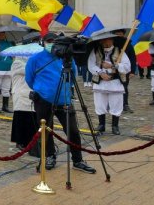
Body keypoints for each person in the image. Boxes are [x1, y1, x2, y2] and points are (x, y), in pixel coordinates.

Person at [25, 44, 97, 173]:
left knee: (73, 130)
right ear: (44, 42)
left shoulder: (65, 58)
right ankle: (49, 155)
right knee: (46, 130)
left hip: (64, 99)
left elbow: (72, 75)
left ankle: (77, 159)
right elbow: (29, 79)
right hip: (43, 100)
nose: (52, 44)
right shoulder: (35, 58)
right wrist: (43, 90)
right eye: (49, 41)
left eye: (54, 41)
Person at [88, 38, 131, 135]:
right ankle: (101, 125)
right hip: (100, 82)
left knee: (116, 104)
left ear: (111, 40)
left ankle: (115, 126)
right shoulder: (95, 51)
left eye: (106, 40)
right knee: (99, 104)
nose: (103, 42)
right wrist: (100, 73)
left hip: (115, 82)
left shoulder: (120, 51)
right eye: (102, 41)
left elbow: (127, 67)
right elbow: (91, 65)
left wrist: (112, 66)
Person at [8, 57, 38, 152]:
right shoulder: (17, 63)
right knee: (21, 118)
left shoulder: (32, 63)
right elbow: (29, 70)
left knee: (31, 118)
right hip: (20, 94)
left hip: (30, 93)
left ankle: (31, 140)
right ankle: (20, 141)